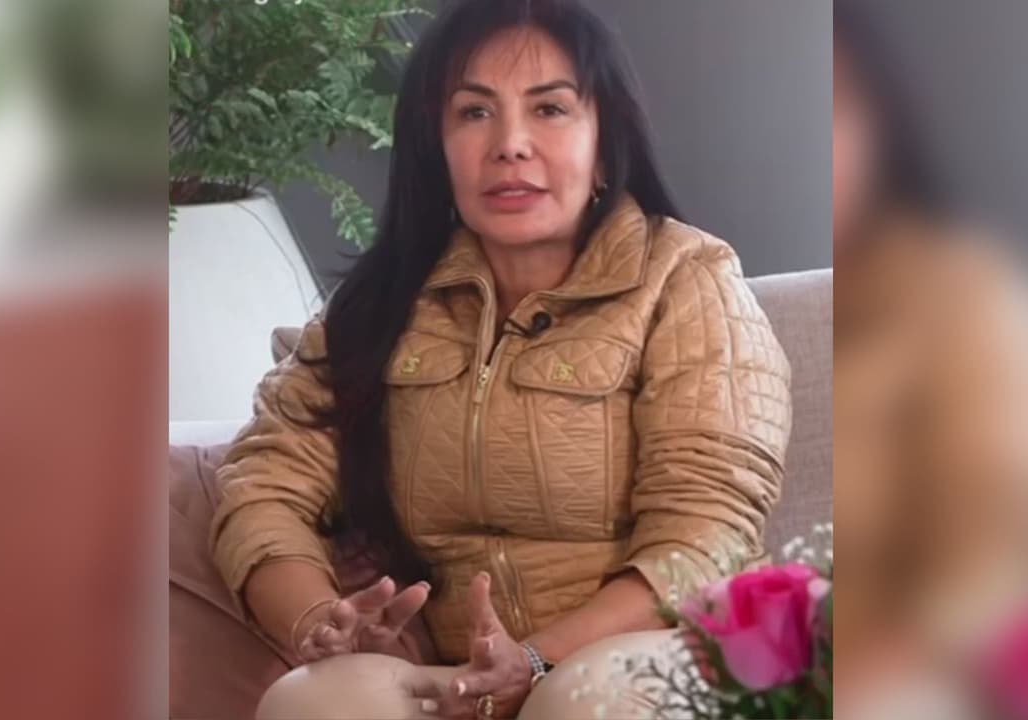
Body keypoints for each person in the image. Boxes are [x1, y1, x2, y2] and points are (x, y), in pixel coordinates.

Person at [210, 1, 791, 717]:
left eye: (550, 109)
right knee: (318, 699)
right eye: (474, 112)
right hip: (461, 674)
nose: (510, 144)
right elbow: (264, 483)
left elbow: (709, 533)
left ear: (605, 143)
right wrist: (320, 621)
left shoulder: (686, 279)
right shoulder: (382, 305)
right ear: (437, 146)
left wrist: (538, 658)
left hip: (672, 651)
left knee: (585, 701)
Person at [833, 4, 1028, 718]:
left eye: (835, 105)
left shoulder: (963, 291)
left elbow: (998, 546)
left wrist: (881, 670)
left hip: (914, 673)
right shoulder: (772, 315)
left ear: (880, 121)